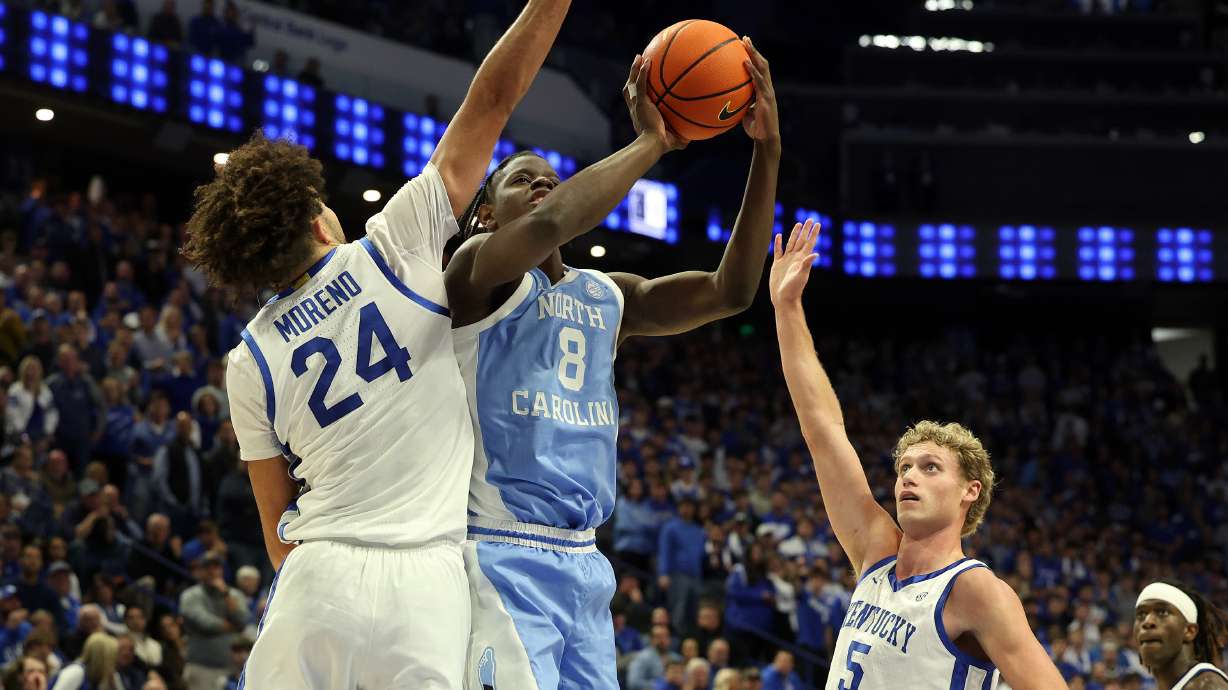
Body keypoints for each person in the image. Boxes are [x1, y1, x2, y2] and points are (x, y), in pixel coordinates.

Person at [180, 2, 571, 688]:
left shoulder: (250, 359)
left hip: (317, 575)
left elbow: (277, 533)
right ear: (316, 220)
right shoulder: (395, 245)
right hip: (424, 584)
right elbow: (494, 99)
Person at [449, 41, 779, 690]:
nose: (543, 182)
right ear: (485, 213)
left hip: (586, 565)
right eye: (522, 177)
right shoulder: (471, 276)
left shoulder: (607, 294)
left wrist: (766, 151)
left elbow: (730, 292)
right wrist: (653, 142)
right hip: (498, 550)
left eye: (551, 175)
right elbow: (546, 227)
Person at [768, 220, 1067, 690]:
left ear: (971, 491)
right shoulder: (874, 551)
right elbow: (823, 430)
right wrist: (786, 309)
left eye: (930, 468)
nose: (909, 477)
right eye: (905, 467)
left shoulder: (976, 591)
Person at [1133, 580, 1228, 689]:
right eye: (1141, 614)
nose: (1147, 622)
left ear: (1189, 631)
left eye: (1162, 612)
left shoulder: (1207, 685)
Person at [49, 632, 122, 690]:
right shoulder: (76, 671)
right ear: (102, 658)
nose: (114, 663)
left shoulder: (94, 678)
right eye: (111, 658)